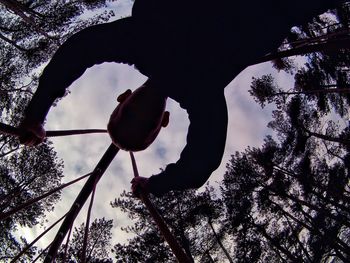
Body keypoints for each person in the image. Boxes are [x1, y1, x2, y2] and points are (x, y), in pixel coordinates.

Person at [19, 1, 344, 196]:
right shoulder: (199, 89)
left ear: (124, 98)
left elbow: (80, 50)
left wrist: (37, 112)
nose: (142, 113)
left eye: (130, 115)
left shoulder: (141, 43)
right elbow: (200, 163)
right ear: (162, 121)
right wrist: (155, 186)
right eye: (145, 123)